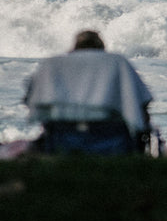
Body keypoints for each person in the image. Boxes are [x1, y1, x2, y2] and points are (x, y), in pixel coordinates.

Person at [23, 30, 154, 154]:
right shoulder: (116, 62)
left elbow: (31, 100)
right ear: (102, 48)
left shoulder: (52, 63)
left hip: (61, 135)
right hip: (111, 136)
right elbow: (142, 102)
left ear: (75, 47)